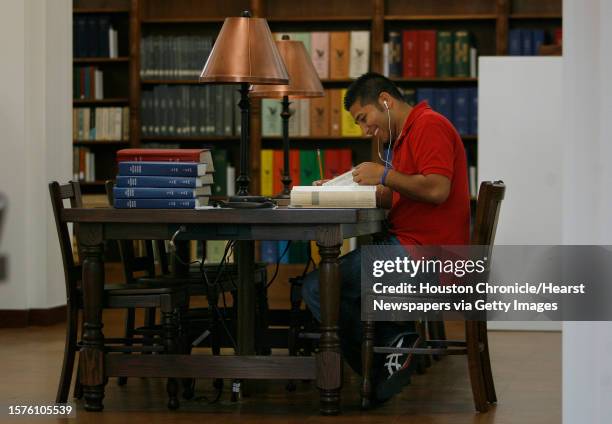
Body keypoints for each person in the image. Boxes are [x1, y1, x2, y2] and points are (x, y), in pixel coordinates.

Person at [301, 72, 471, 403]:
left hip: (430, 259)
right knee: (335, 284)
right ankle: (393, 351)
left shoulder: (429, 126)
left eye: (364, 119)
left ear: (385, 101)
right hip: (417, 250)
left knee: (318, 287)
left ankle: (386, 357)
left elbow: (436, 189)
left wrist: (384, 174)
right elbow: (400, 194)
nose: (365, 130)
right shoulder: (405, 135)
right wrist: (340, 189)